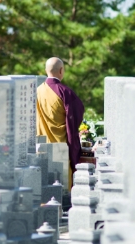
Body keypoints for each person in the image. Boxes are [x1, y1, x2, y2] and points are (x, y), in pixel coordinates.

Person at [36, 57, 84, 188]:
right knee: (61, 189)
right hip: (60, 148)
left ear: (46, 70)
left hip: (40, 148)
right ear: (61, 70)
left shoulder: (37, 91)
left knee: (44, 188)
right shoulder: (65, 92)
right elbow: (75, 117)